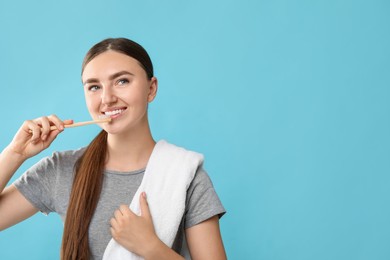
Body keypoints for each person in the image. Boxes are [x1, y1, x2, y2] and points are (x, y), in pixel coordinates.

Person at [0, 38, 227, 260]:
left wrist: (151, 249)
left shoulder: (186, 175)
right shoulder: (60, 169)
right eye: (94, 87)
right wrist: (14, 154)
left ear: (151, 88)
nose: (107, 99)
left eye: (122, 81)